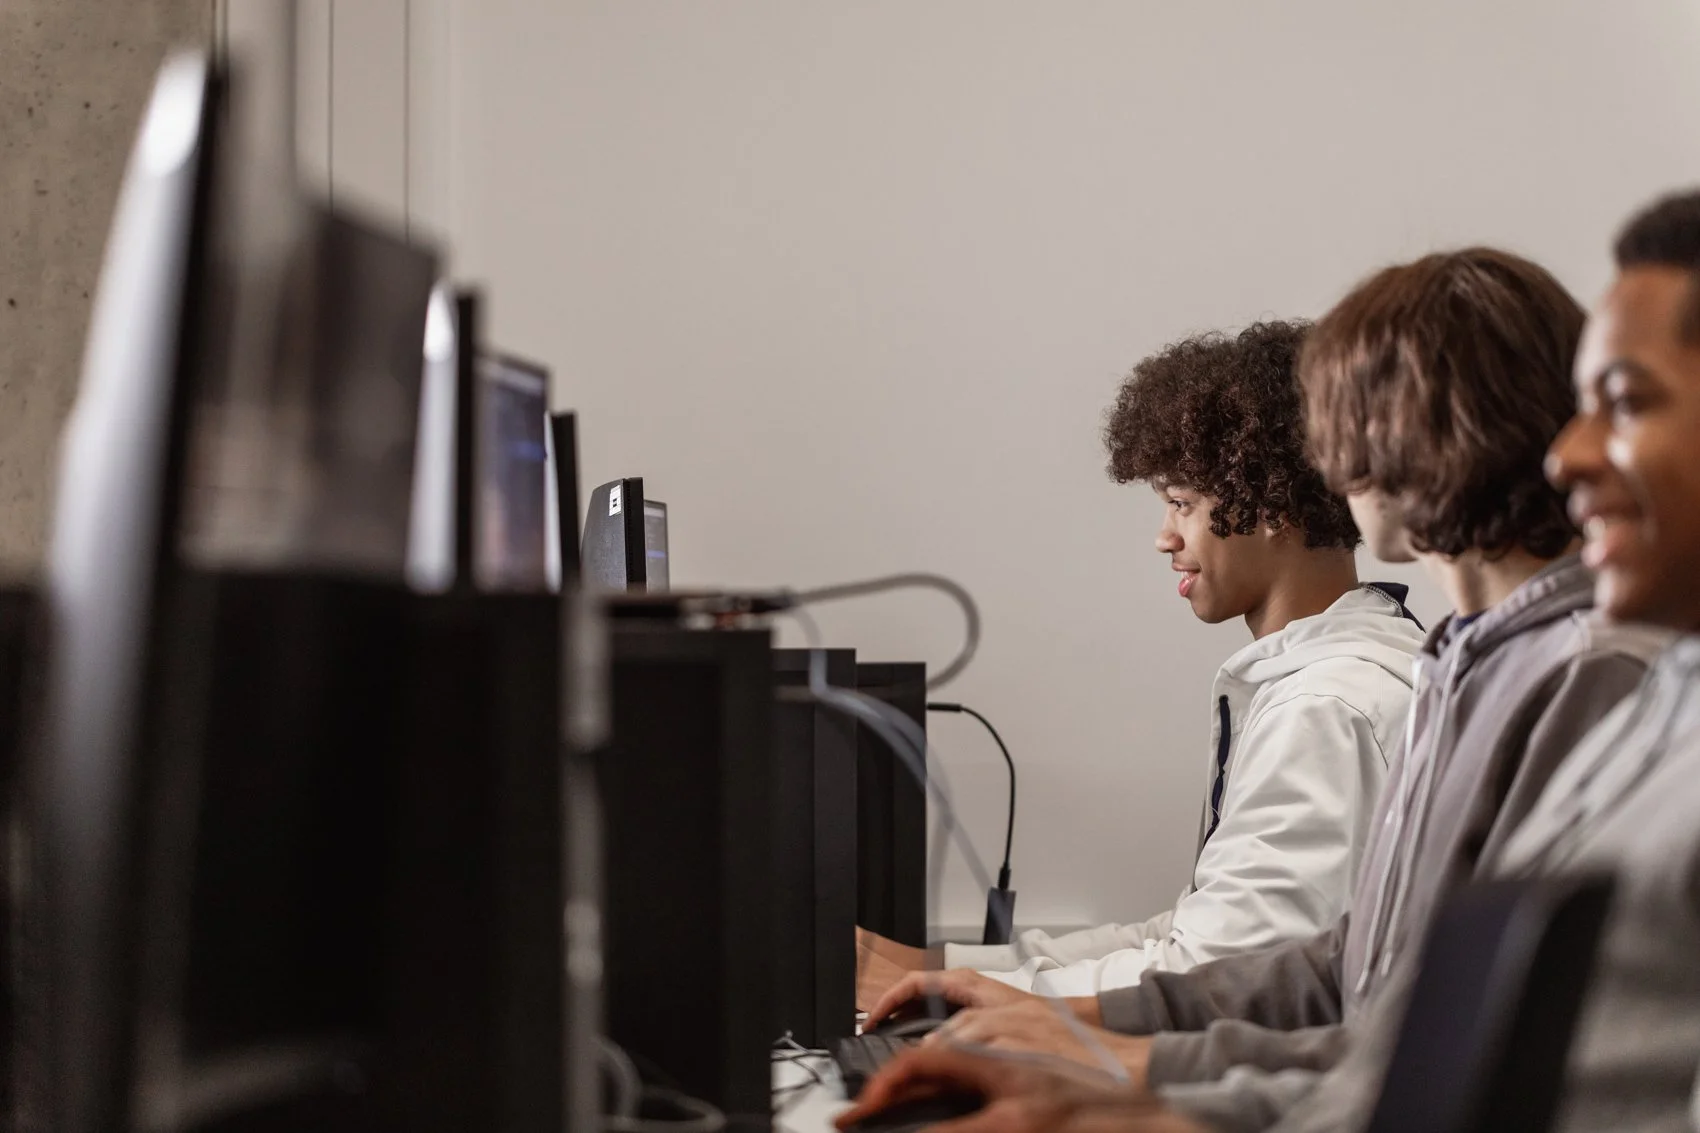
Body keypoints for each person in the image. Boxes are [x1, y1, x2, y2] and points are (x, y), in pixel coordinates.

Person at [843, 192, 1700, 1133]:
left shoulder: (1564, 677)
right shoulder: (1469, 664)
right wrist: (1093, 1042)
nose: (1571, 455)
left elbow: (1431, 1055)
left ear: (1431, 429)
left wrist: (1125, 1080)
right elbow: (1368, 991)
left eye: (1624, 403)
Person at [859, 321, 1426, 1005]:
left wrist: (963, 991)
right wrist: (946, 965)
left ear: (1274, 505)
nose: (1164, 537)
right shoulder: (1340, 669)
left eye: (1182, 504)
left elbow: (1216, 972)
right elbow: (1195, 927)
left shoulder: (1324, 709)